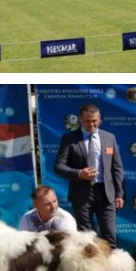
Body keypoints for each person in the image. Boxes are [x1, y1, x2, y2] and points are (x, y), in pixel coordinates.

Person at [54, 103, 125, 248]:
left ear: (99, 119)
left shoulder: (109, 137)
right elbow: (58, 166)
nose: (92, 124)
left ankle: (110, 269)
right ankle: (89, 269)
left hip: (106, 193)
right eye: (87, 121)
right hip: (81, 194)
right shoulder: (69, 138)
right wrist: (80, 173)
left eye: (95, 120)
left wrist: (119, 193)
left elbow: (117, 167)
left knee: (109, 235)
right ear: (80, 119)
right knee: (85, 237)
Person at [18, 186, 79, 271]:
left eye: (55, 201)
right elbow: (21, 247)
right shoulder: (27, 219)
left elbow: (67, 252)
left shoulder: (66, 220)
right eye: (47, 204)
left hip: (62, 266)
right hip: (35, 263)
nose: (53, 206)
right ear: (36, 205)